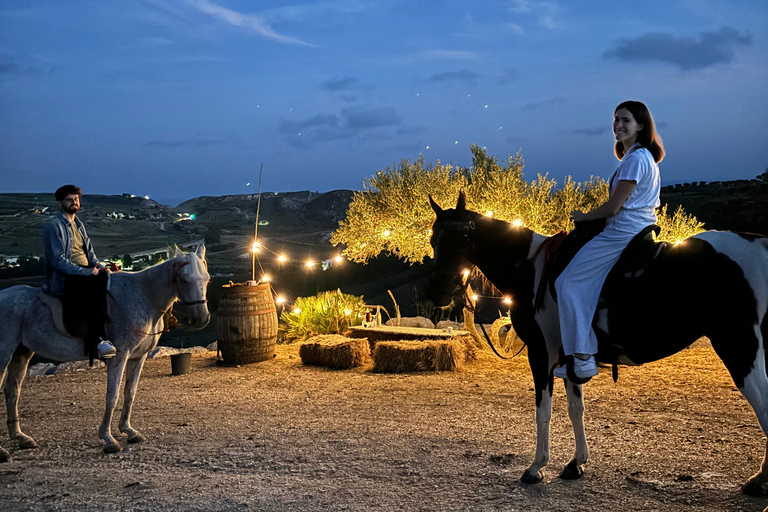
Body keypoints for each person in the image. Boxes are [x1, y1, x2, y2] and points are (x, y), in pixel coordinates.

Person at [553, 101, 664, 380]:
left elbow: (614, 207)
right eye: (616, 119)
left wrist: (583, 217)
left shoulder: (637, 159)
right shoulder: (637, 158)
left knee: (567, 283)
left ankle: (582, 357)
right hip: (635, 226)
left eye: (626, 120)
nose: (618, 125)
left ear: (641, 125)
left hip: (623, 230)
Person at [43, 185, 116, 360]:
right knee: (91, 291)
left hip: (87, 270)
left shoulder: (79, 224)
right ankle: (98, 339)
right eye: (69, 199)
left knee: (113, 281)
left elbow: (89, 253)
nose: (74, 202)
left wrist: (99, 266)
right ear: (61, 202)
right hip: (68, 275)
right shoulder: (53, 226)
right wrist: (84, 272)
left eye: (76, 199)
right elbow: (57, 260)